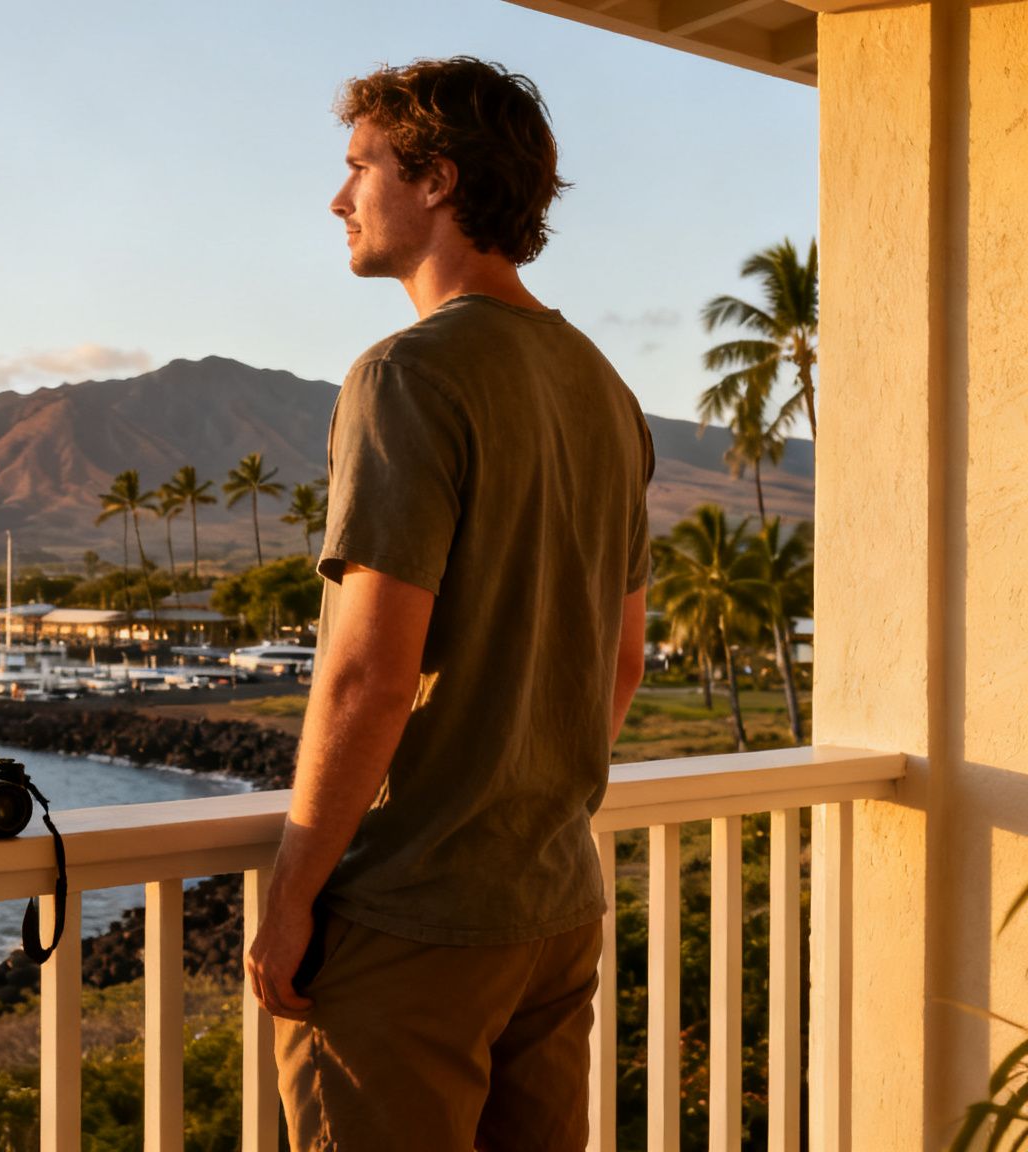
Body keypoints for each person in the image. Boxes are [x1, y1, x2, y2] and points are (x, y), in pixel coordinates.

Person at [244, 57, 653, 1150]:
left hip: (411, 922)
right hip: (550, 905)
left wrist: (289, 899)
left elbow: (369, 674)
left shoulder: (406, 378)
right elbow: (621, 661)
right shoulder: (603, 390)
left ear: (432, 180)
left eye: (358, 168)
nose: (337, 200)